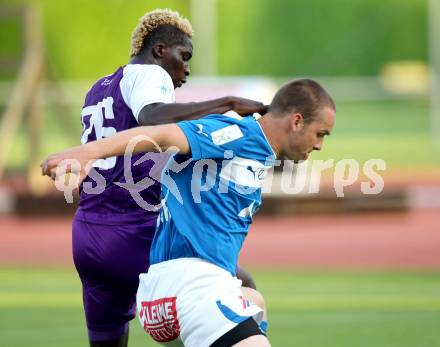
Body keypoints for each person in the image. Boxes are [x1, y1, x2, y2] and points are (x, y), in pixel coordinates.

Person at [42, 78, 336, 346]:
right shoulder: (237, 134)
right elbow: (164, 135)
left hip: (166, 297)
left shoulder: (252, 147)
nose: (320, 145)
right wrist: (87, 152)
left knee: (254, 302)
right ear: (297, 121)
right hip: (194, 289)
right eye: (320, 133)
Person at [73, 8, 265, 347]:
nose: (187, 68)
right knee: (237, 284)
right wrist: (228, 103)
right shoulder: (149, 74)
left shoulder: (98, 88)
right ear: (160, 50)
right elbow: (152, 116)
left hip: (87, 234)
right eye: (184, 56)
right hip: (133, 229)